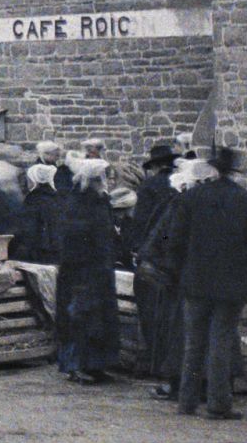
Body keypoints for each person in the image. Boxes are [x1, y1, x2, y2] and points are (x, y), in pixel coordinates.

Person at [159, 145, 247, 421]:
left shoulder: (192, 198)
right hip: (231, 283)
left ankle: (187, 400)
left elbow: (175, 241)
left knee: (194, 342)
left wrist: (178, 273)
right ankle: (218, 403)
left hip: (195, 280)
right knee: (221, 341)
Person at [53, 158, 121, 383]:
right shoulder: (77, 204)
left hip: (98, 270)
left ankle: (96, 365)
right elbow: (73, 239)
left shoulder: (100, 202)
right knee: (80, 319)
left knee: (98, 320)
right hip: (82, 272)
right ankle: (76, 365)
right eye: (104, 178)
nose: (108, 182)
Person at [127, 143, 180, 388]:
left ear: (155, 165)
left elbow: (140, 222)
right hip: (175, 257)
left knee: (150, 312)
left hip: (154, 254)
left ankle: (153, 362)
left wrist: (137, 248)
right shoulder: (180, 185)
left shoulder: (148, 187)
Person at [13, 161, 62, 263]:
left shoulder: (33, 199)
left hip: (39, 250)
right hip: (56, 247)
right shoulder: (55, 197)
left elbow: (29, 228)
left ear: (35, 180)